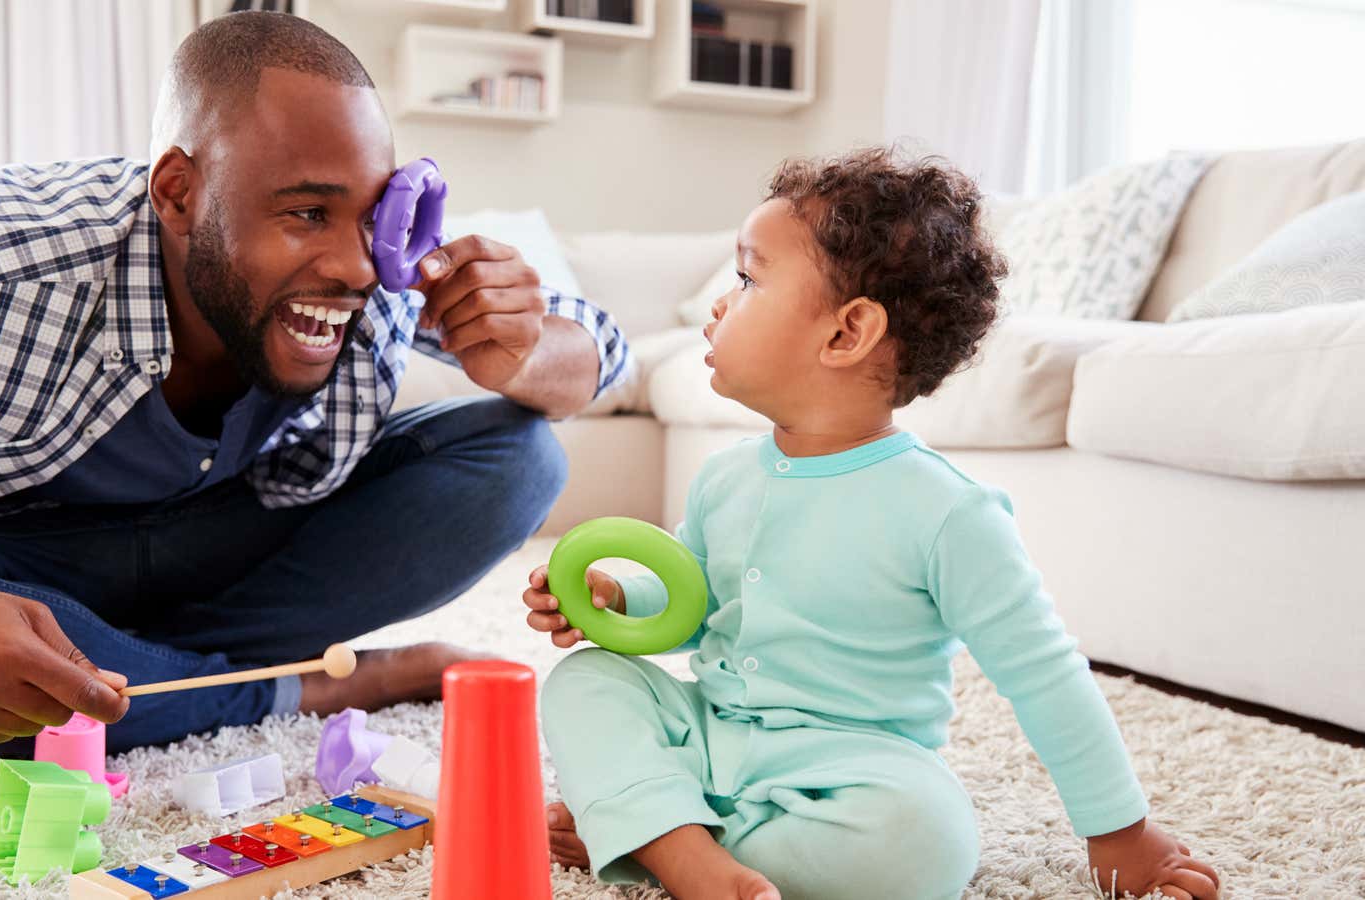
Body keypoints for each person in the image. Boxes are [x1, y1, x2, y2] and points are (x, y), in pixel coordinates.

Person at [0, 11, 626, 772]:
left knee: (518, 458)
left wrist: (516, 350)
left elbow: (602, 348)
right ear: (178, 192)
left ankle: (115, 692)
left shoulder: (379, 268)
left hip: (222, 546)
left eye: (371, 216)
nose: (358, 266)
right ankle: (304, 685)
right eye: (307, 214)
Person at [522, 148, 1219, 899]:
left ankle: (653, 829)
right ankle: (679, 844)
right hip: (710, 730)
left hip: (849, 767)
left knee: (925, 839)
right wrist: (618, 601)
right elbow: (697, 610)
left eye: (748, 281)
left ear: (846, 333)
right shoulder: (726, 477)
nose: (719, 306)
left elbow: (1044, 675)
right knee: (586, 682)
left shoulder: (947, 510)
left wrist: (1120, 833)